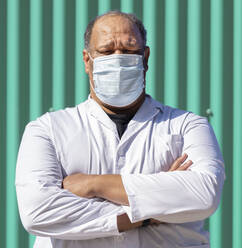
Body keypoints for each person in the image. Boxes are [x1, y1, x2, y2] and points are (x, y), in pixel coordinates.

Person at [16, 10, 225, 248]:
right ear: (87, 60)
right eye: (106, 51)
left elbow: (204, 195)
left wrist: (95, 184)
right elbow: (37, 211)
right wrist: (147, 213)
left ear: (145, 58)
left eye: (128, 50)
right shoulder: (48, 130)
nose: (117, 58)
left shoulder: (188, 126)